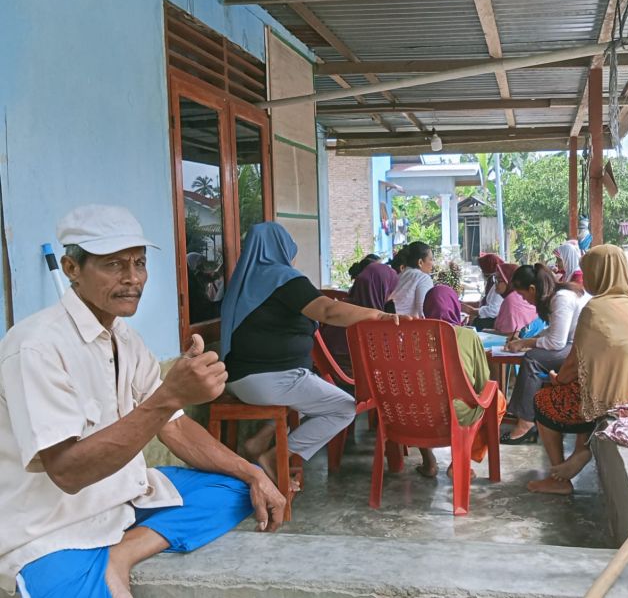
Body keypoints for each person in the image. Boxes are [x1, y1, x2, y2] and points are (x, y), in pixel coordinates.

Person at [0, 205, 286, 598]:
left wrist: (254, 474)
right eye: (113, 265)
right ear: (71, 269)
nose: (132, 278)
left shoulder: (125, 339)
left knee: (236, 487)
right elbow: (67, 473)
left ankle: (122, 554)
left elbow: (176, 425)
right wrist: (169, 396)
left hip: (121, 501)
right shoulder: (35, 346)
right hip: (51, 525)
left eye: (139, 263)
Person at [220, 223, 400, 482]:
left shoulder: (244, 281)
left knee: (312, 393)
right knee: (343, 409)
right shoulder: (282, 278)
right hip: (273, 380)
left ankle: (258, 442)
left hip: (238, 380)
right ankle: (275, 455)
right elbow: (329, 311)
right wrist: (379, 315)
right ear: (281, 248)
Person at [529, 245, 628, 495]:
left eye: (588, 271)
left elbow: (572, 366)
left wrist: (557, 379)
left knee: (545, 400)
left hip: (617, 401)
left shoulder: (595, 309)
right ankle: (584, 449)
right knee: (592, 385)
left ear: (598, 273)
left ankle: (559, 479)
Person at [418, 286, 507, 477]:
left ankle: (428, 462)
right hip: (457, 414)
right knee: (496, 398)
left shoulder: (413, 338)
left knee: (420, 396)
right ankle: (460, 461)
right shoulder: (467, 336)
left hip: (414, 414)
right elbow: (483, 384)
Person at [500, 264, 590, 444]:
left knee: (532, 359)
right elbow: (553, 332)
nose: (525, 300)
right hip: (575, 345)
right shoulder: (559, 295)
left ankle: (525, 423)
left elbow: (556, 342)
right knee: (533, 355)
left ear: (532, 289)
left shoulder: (562, 298)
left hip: (584, 350)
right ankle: (522, 413)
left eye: (523, 295)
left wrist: (526, 343)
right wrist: (530, 340)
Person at [322, 261, 399, 374]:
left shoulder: (340, 312)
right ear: (383, 289)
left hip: (331, 378)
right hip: (356, 381)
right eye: (391, 290)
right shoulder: (376, 325)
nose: (392, 296)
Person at [387, 241, 434, 318]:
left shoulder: (399, 276)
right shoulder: (423, 278)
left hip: (388, 323)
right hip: (406, 326)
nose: (433, 263)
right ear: (420, 262)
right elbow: (423, 313)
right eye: (431, 259)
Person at [492, 262, 540, 337]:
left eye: (499, 280)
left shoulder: (512, 300)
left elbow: (511, 336)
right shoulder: (518, 295)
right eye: (495, 280)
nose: (495, 284)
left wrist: (484, 332)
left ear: (508, 281)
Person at [463, 253, 504, 330]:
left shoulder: (498, 286)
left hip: (492, 323)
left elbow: (493, 311)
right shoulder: (491, 284)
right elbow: (483, 303)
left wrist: (472, 311)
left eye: (482, 269)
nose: (481, 272)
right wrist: (463, 304)